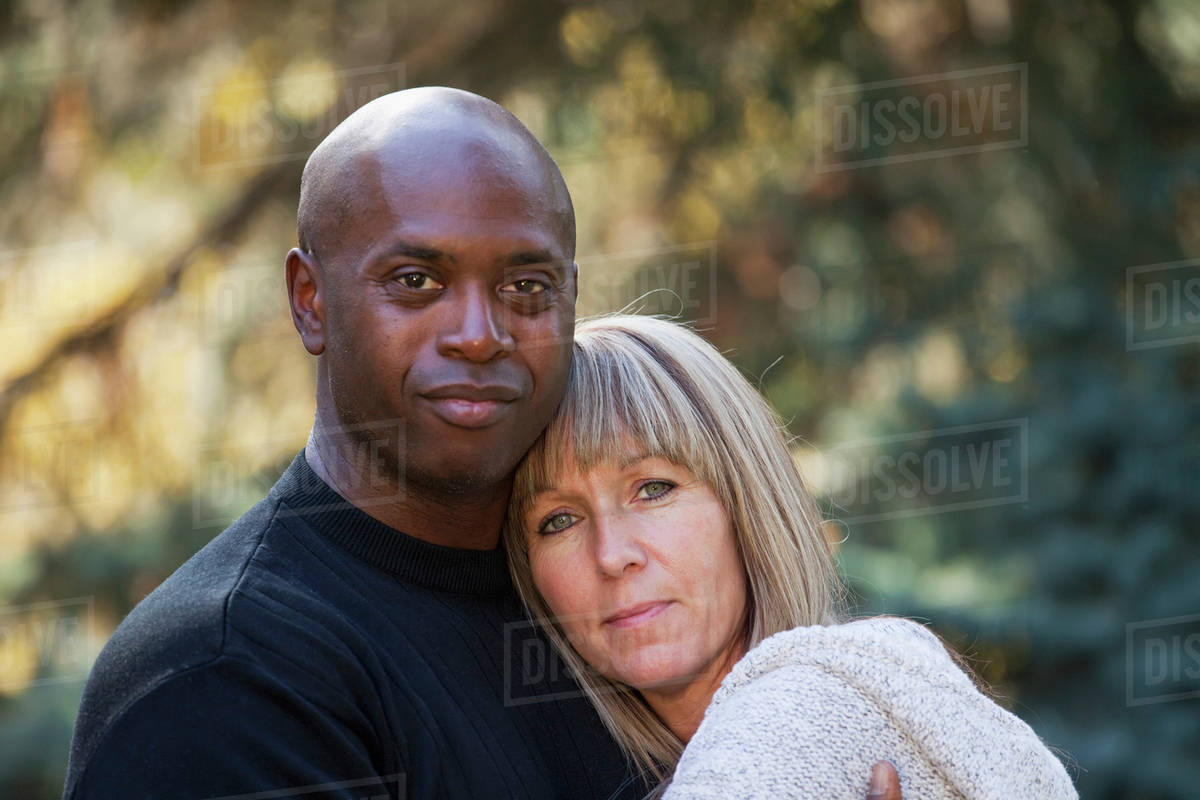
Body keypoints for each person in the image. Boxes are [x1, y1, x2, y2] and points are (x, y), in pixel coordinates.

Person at [62, 89, 906, 800]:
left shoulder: (609, 612)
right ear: (310, 300)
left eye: (525, 287)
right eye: (416, 281)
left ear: (571, 299)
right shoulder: (226, 675)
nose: (478, 333)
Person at [505, 314, 1079, 798]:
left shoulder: (807, 712)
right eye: (558, 520)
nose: (612, 554)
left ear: (747, 501)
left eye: (653, 488)